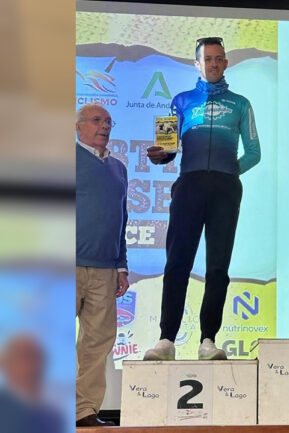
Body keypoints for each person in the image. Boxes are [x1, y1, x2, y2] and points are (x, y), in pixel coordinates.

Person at [144, 36, 261, 361]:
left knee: (218, 267)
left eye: (218, 58)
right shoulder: (180, 101)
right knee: (177, 262)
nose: (213, 63)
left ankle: (208, 339)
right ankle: (166, 339)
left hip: (225, 189)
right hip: (189, 186)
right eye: (207, 59)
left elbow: (254, 152)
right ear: (197, 64)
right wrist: (160, 155)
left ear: (226, 63)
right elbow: (167, 150)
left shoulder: (241, 104)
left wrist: (228, 174)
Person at [76, 103, 129, 427]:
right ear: (78, 126)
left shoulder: (119, 169)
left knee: (96, 345)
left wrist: (121, 266)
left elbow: (121, 219)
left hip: (105, 270)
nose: (104, 126)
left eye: (108, 121)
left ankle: (83, 411)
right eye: (97, 120)